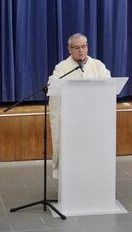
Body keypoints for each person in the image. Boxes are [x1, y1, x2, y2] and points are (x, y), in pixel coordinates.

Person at [48, 33, 111, 178]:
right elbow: (53, 84)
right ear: (69, 49)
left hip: (93, 122)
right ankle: (72, 182)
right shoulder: (62, 67)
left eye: (83, 47)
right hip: (71, 123)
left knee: (92, 155)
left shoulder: (98, 66)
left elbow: (108, 84)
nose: (80, 51)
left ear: (87, 47)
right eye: (76, 48)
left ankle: (93, 180)